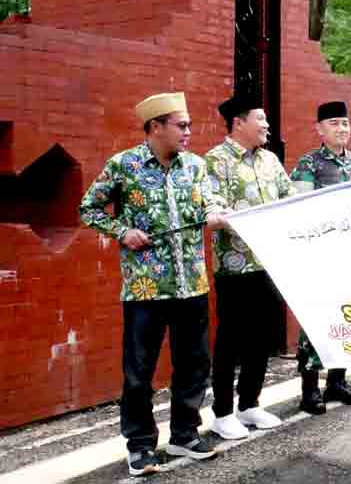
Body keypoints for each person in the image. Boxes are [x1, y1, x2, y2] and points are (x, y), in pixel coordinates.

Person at [80, 92, 226, 476]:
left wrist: (214, 213)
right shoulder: (124, 166)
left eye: (189, 125)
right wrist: (122, 230)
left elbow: (211, 201)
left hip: (191, 284)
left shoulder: (195, 166)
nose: (188, 132)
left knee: (194, 365)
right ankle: (141, 446)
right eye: (181, 125)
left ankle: (184, 435)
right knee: (139, 371)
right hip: (145, 288)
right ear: (155, 127)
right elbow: (89, 208)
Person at [205, 93, 295, 440]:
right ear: (239, 122)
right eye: (261, 119)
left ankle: (249, 404)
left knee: (262, 336)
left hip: (269, 263)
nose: (267, 125)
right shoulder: (217, 160)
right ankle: (223, 412)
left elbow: (289, 197)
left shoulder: (270, 160)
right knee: (231, 339)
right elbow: (212, 204)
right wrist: (219, 216)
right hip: (236, 267)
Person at [289, 101, 351, 414]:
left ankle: (337, 381)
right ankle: (309, 389)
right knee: (315, 321)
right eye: (334, 123)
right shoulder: (308, 165)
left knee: (347, 317)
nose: (341, 129)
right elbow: (300, 208)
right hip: (321, 258)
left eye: (345, 123)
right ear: (319, 129)